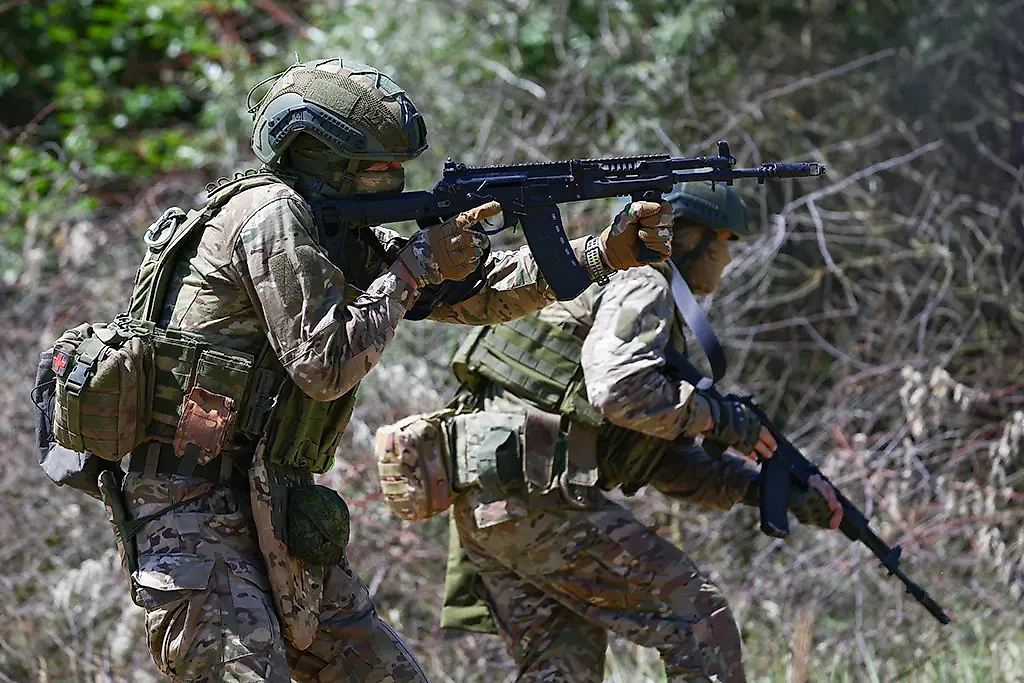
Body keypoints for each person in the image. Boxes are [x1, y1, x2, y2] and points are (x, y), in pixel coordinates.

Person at [62, 58, 673, 682]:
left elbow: (473, 295)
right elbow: (323, 363)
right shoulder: (270, 214)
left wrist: (602, 252)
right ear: (319, 155)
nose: (392, 180)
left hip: (270, 505)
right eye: (375, 168)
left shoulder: (329, 229)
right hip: (191, 515)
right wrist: (415, 267)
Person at [435, 182, 844, 683]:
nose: (727, 257)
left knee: (563, 664)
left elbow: (655, 460)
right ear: (694, 239)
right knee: (699, 621)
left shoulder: (599, 283)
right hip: (533, 497)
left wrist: (762, 490)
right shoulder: (644, 281)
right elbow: (618, 389)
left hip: (491, 495)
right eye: (726, 241)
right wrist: (719, 419)